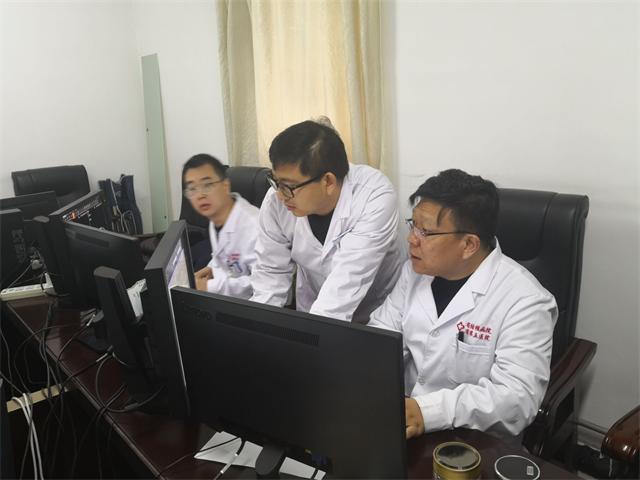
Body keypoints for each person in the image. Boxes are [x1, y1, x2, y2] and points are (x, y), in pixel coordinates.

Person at [368, 169, 557, 439]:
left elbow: (517, 399)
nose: (411, 239)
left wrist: (428, 411)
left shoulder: (525, 301)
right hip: (403, 417)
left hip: (473, 439)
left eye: (425, 231)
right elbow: (381, 337)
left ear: (469, 244)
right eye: (413, 225)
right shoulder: (414, 272)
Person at [250, 118, 403, 323]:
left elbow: (348, 279)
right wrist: (257, 327)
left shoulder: (374, 196)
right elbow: (270, 273)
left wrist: (316, 334)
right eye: (276, 182)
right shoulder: (276, 200)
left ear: (328, 181)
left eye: (289, 186)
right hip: (314, 312)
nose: (280, 195)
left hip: (375, 317)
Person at [182, 154, 259, 299]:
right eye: (192, 189)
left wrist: (209, 287)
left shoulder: (254, 226)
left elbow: (263, 283)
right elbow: (224, 256)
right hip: (229, 300)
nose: (200, 195)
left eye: (207, 185)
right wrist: (211, 268)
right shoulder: (217, 217)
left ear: (225, 185)